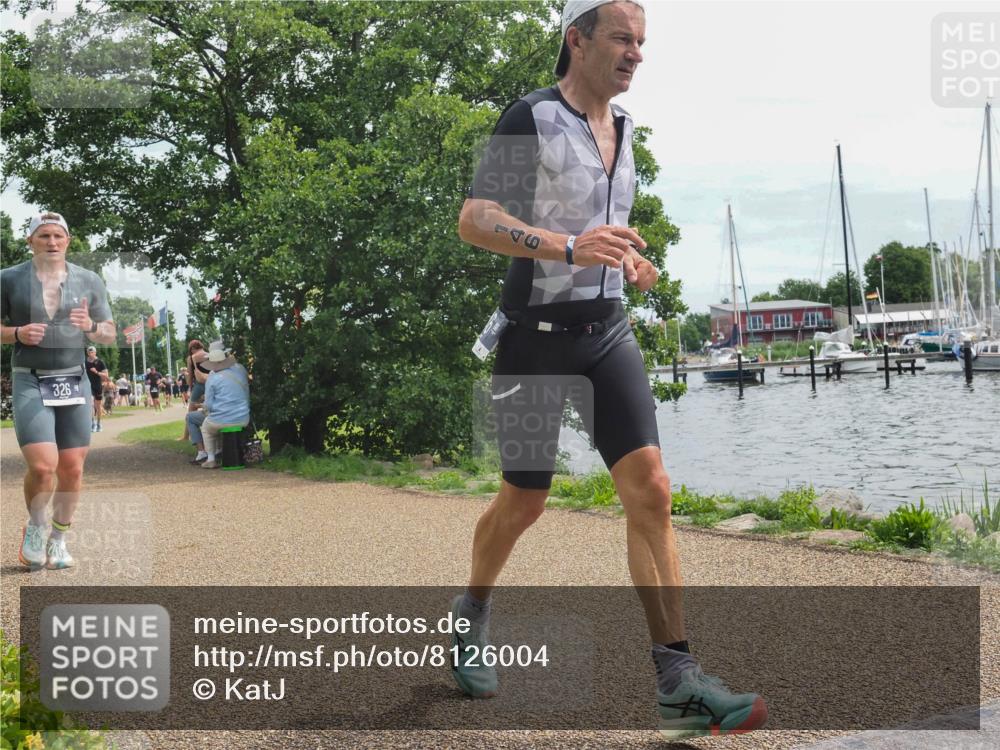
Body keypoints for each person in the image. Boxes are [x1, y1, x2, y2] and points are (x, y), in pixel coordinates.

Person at [454, 1, 767, 736]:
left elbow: (603, 232)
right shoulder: (527, 116)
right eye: (623, 39)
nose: (636, 54)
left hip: (606, 334)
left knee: (651, 490)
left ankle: (676, 678)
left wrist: (629, 260)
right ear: (578, 40)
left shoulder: (624, 130)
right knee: (524, 502)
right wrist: (566, 247)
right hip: (532, 340)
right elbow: (474, 218)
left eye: (642, 42)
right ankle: (470, 612)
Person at [0, 211, 116, 570]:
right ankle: (35, 528)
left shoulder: (89, 280)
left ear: (68, 240)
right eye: (44, 236)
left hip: (73, 379)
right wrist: (17, 334)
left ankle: (59, 539)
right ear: (31, 240)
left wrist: (92, 326)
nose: (52, 242)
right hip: (31, 377)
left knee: (73, 469)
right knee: (43, 465)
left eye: (58, 236)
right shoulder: (7, 279)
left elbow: (110, 332)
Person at [185, 341, 250, 469]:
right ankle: (220, 450)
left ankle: (210, 458)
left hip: (223, 419)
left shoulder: (213, 377)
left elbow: (209, 406)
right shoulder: (241, 368)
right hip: (244, 416)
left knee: (206, 427)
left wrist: (202, 405)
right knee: (215, 420)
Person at [84, 345, 107, 432]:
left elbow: (106, 375)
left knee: (98, 406)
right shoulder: (85, 362)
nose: (90, 354)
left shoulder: (100, 362)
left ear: (95, 352)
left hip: (97, 385)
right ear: (87, 353)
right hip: (88, 386)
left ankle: (99, 423)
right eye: (89, 352)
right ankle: (92, 423)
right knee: (90, 404)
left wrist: (96, 372)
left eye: (92, 352)